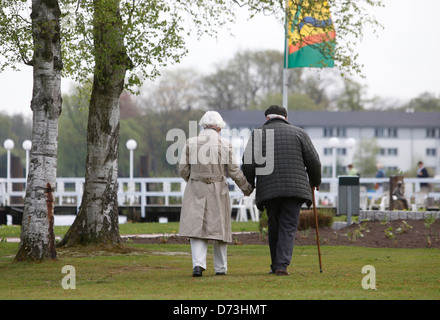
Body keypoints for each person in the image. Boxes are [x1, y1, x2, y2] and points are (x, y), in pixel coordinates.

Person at [242, 105, 321, 276]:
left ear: (267, 117)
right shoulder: (300, 133)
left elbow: (248, 163)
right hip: (296, 188)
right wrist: (315, 182)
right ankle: (281, 265)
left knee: (274, 224)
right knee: (288, 225)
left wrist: (249, 184)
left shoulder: (258, 134)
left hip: (269, 189)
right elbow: (314, 162)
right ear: (286, 117)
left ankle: (276, 264)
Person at [178, 111, 253, 277]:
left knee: (197, 228)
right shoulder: (226, 145)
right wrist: (246, 188)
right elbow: (234, 172)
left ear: (203, 126)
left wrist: (193, 180)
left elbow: (182, 169)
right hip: (218, 188)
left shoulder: (190, 143)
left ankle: (198, 265)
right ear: (219, 128)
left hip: (196, 187)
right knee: (220, 228)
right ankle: (221, 268)